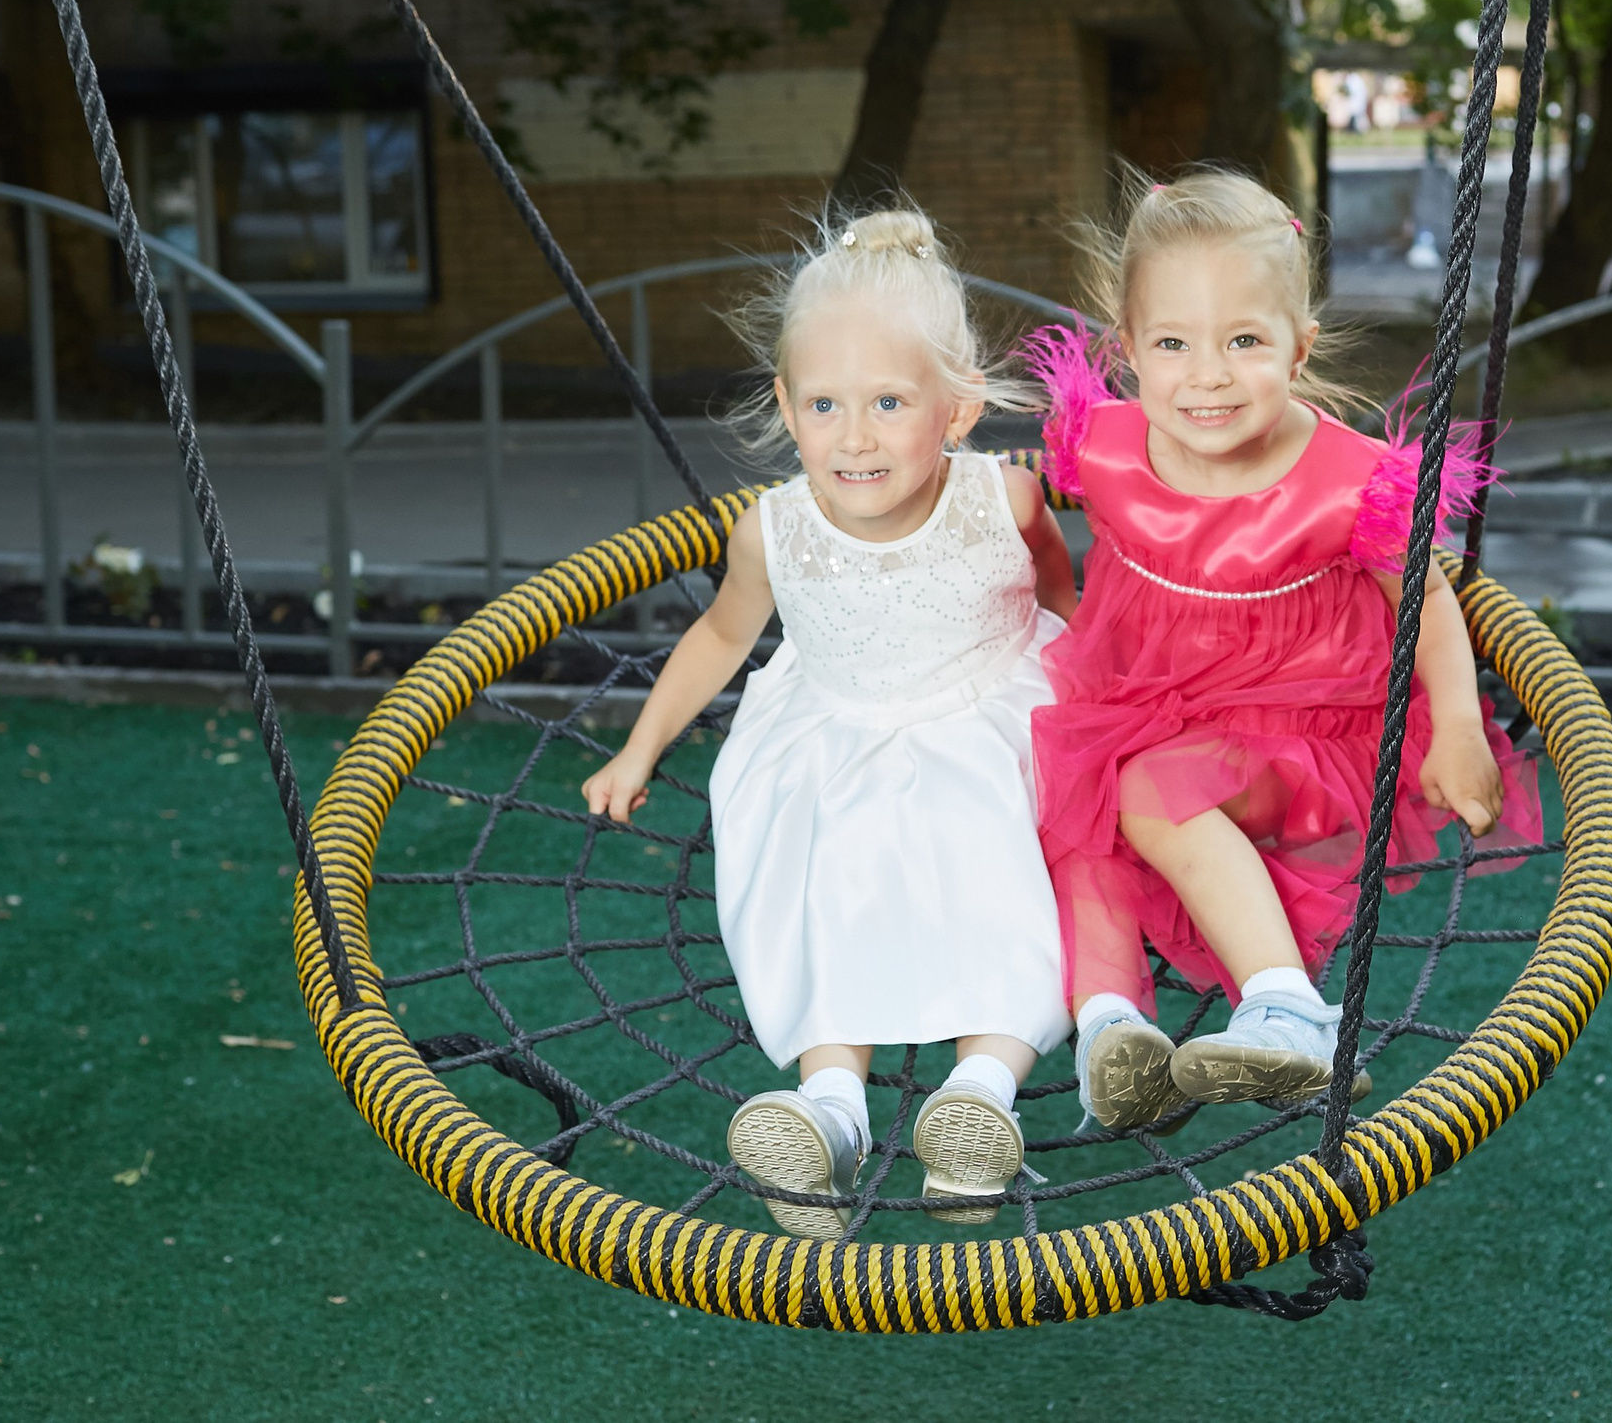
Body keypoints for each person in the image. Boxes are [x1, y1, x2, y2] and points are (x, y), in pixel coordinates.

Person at [583, 209, 1076, 1238]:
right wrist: (639, 747)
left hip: (992, 717)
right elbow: (721, 641)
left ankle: (978, 1095)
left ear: (955, 407)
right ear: (784, 406)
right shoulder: (774, 530)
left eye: (889, 402)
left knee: (1012, 878)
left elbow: (1062, 601)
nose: (853, 435)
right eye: (824, 404)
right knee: (828, 880)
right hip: (835, 732)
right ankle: (829, 1112)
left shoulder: (1008, 499)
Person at [1027, 168, 1542, 1134]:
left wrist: (1460, 728)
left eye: (1245, 342)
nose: (1208, 374)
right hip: (1139, 706)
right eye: (1173, 343)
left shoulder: (1348, 480)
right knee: (1076, 809)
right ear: (1129, 348)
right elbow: (1041, 537)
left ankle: (1288, 1009)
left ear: (1299, 349)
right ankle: (1112, 1032)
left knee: (1141, 790)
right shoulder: (1102, 447)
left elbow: (1425, 595)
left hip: (1300, 732)